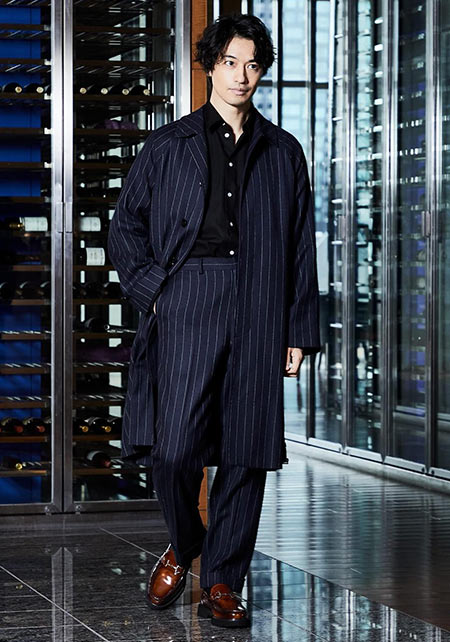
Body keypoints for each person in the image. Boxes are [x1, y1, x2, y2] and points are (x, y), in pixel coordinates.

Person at [108, 13, 321, 629]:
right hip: (188, 297)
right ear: (210, 66)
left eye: (252, 64)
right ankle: (186, 543)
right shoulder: (167, 145)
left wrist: (298, 330)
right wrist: (156, 293)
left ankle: (224, 580)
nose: (241, 76)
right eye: (230, 62)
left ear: (262, 72)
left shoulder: (284, 151)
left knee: (246, 449)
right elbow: (125, 228)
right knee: (175, 448)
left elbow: (301, 248)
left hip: (260, 302)